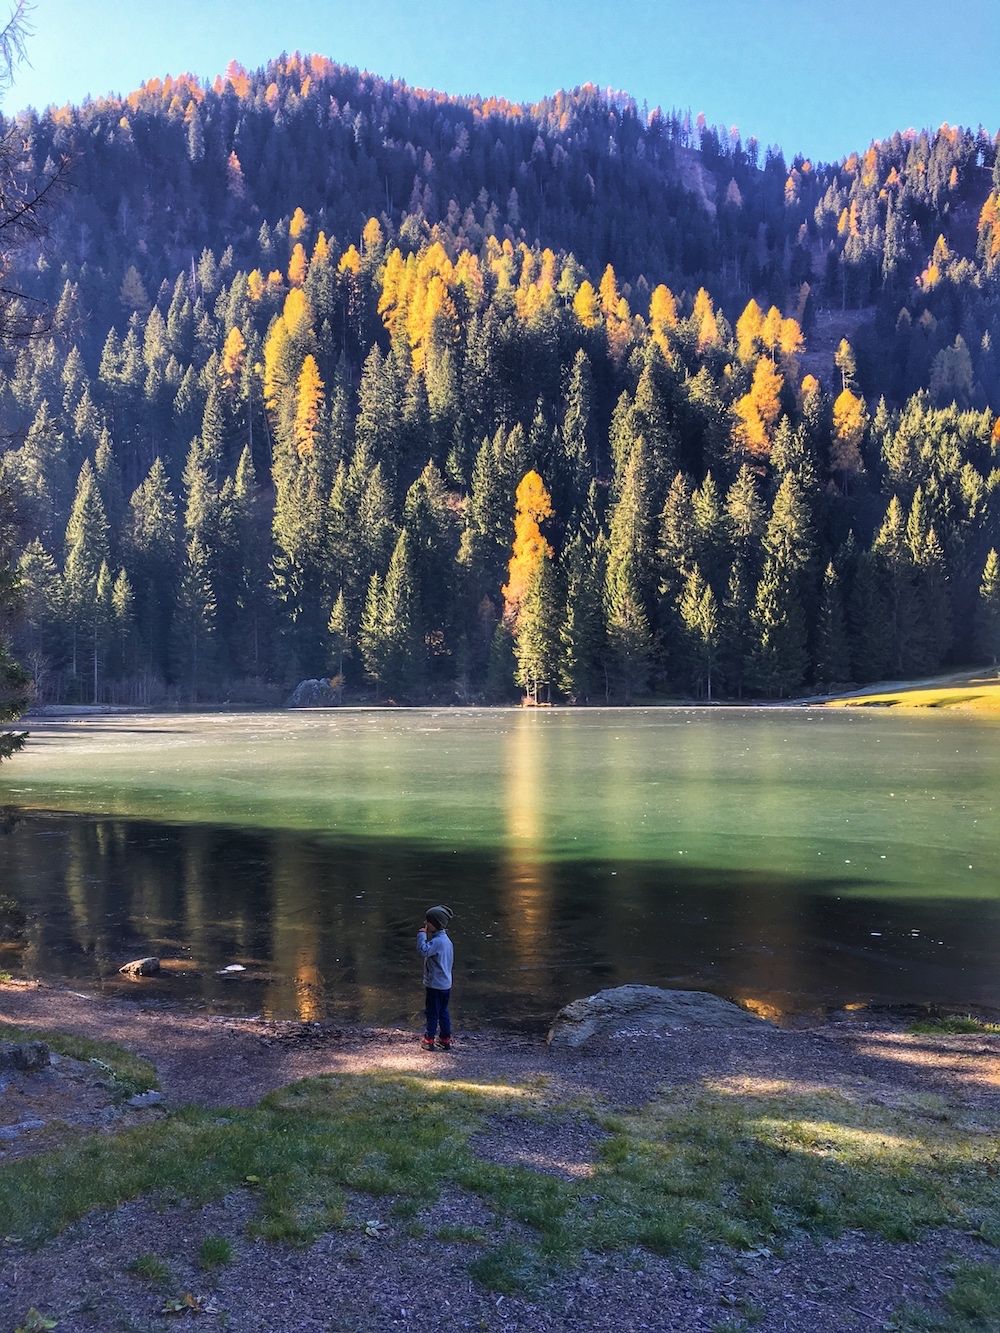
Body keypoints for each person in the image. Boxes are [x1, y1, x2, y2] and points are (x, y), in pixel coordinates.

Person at [417, 904, 454, 1051]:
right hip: (446, 984)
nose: (425, 924)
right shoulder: (447, 941)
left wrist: (421, 935)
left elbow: (423, 951)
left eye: (428, 921)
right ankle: (445, 1039)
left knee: (432, 1012)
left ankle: (429, 1039)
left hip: (435, 985)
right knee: (443, 1011)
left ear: (436, 924)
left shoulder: (438, 942)